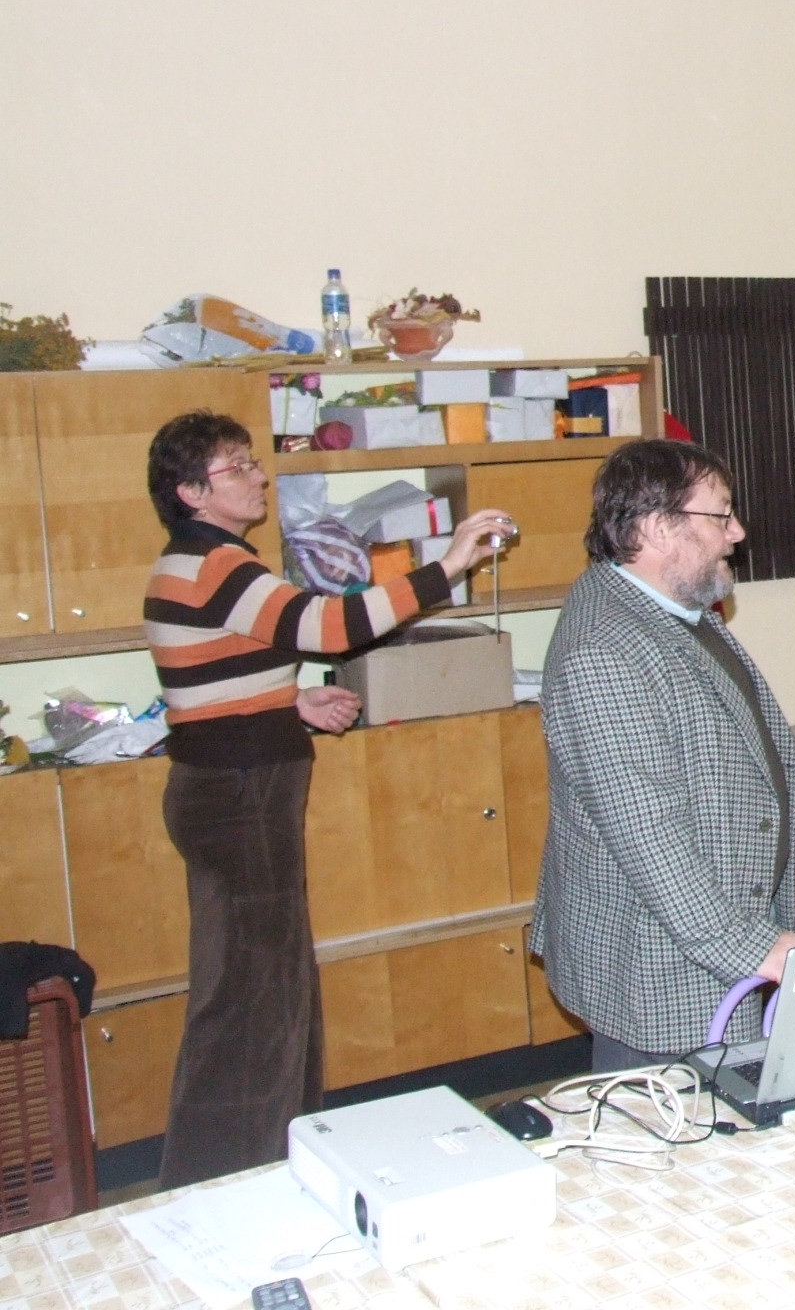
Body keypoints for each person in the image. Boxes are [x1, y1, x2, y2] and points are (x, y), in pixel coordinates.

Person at [142, 409, 513, 1186]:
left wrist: (288, 703)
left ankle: (273, 1161)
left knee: (268, 987)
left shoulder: (202, 562)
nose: (259, 477)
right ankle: (227, 1182)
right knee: (254, 999)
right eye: (237, 468)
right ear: (190, 493)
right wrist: (447, 566)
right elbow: (334, 626)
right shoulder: (216, 565)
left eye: (253, 461)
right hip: (241, 796)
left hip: (234, 788)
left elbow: (212, 685)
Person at [532, 439, 795, 1070]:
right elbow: (649, 835)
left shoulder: (672, 606)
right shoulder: (605, 652)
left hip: (702, 936)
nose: (737, 532)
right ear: (658, 529)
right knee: (666, 1127)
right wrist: (754, 948)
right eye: (721, 515)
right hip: (658, 963)